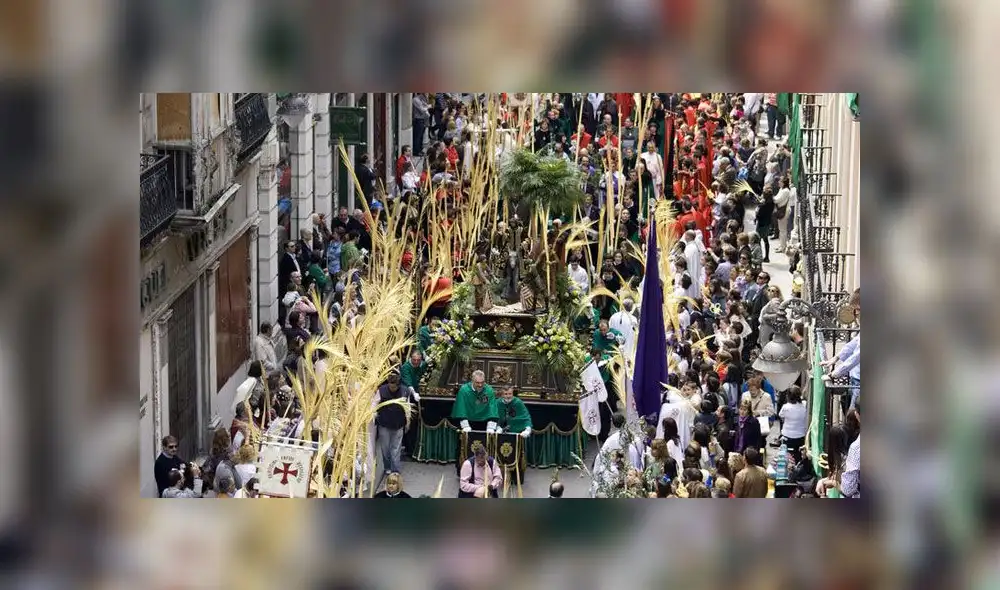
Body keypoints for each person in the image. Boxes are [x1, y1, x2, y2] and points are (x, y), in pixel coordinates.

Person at [374, 371, 419, 479]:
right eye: (390, 386)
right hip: (384, 424)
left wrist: (407, 422)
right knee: (385, 449)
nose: (391, 389)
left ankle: (395, 470)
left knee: (396, 449)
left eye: (394, 387)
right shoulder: (382, 390)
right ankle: (387, 467)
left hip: (399, 424)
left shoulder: (405, 391)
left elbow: (407, 407)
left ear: (398, 385)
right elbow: (375, 404)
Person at [778, 385, 808, 462]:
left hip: (787, 435)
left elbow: (781, 416)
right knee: (799, 456)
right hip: (800, 435)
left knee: (787, 457)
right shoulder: (804, 405)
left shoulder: (786, 407)